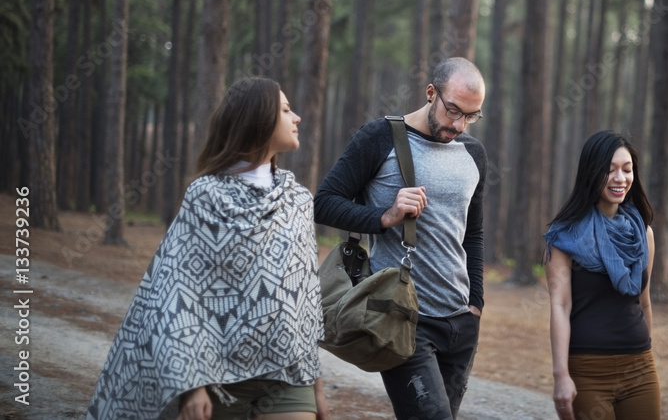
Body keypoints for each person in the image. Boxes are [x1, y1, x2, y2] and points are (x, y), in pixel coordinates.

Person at [87, 77, 328, 420]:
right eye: (286, 110)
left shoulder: (299, 201)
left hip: (289, 376)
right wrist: (192, 383)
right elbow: (179, 292)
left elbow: (304, 301)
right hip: (219, 376)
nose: (297, 117)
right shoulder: (206, 196)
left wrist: (316, 385)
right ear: (257, 119)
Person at [313, 57, 487, 420]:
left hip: (461, 322)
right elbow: (324, 204)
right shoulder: (379, 137)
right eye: (453, 110)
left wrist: (476, 304)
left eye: (470, 116)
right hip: (403, 318)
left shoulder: (474, 153)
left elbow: (473, 234)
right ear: (430, 93)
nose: (459, 124)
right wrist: (384, 216)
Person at [543, 130, 660, 420]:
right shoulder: (565, 236)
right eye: (609, 171)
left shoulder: (643, 233)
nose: (620, 178)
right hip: (587, 370)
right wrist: (561, 376)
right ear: (591, 173)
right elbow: (560, 305)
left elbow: (643, 301)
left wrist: (646, 352)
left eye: (627, 169)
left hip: (640, 368)